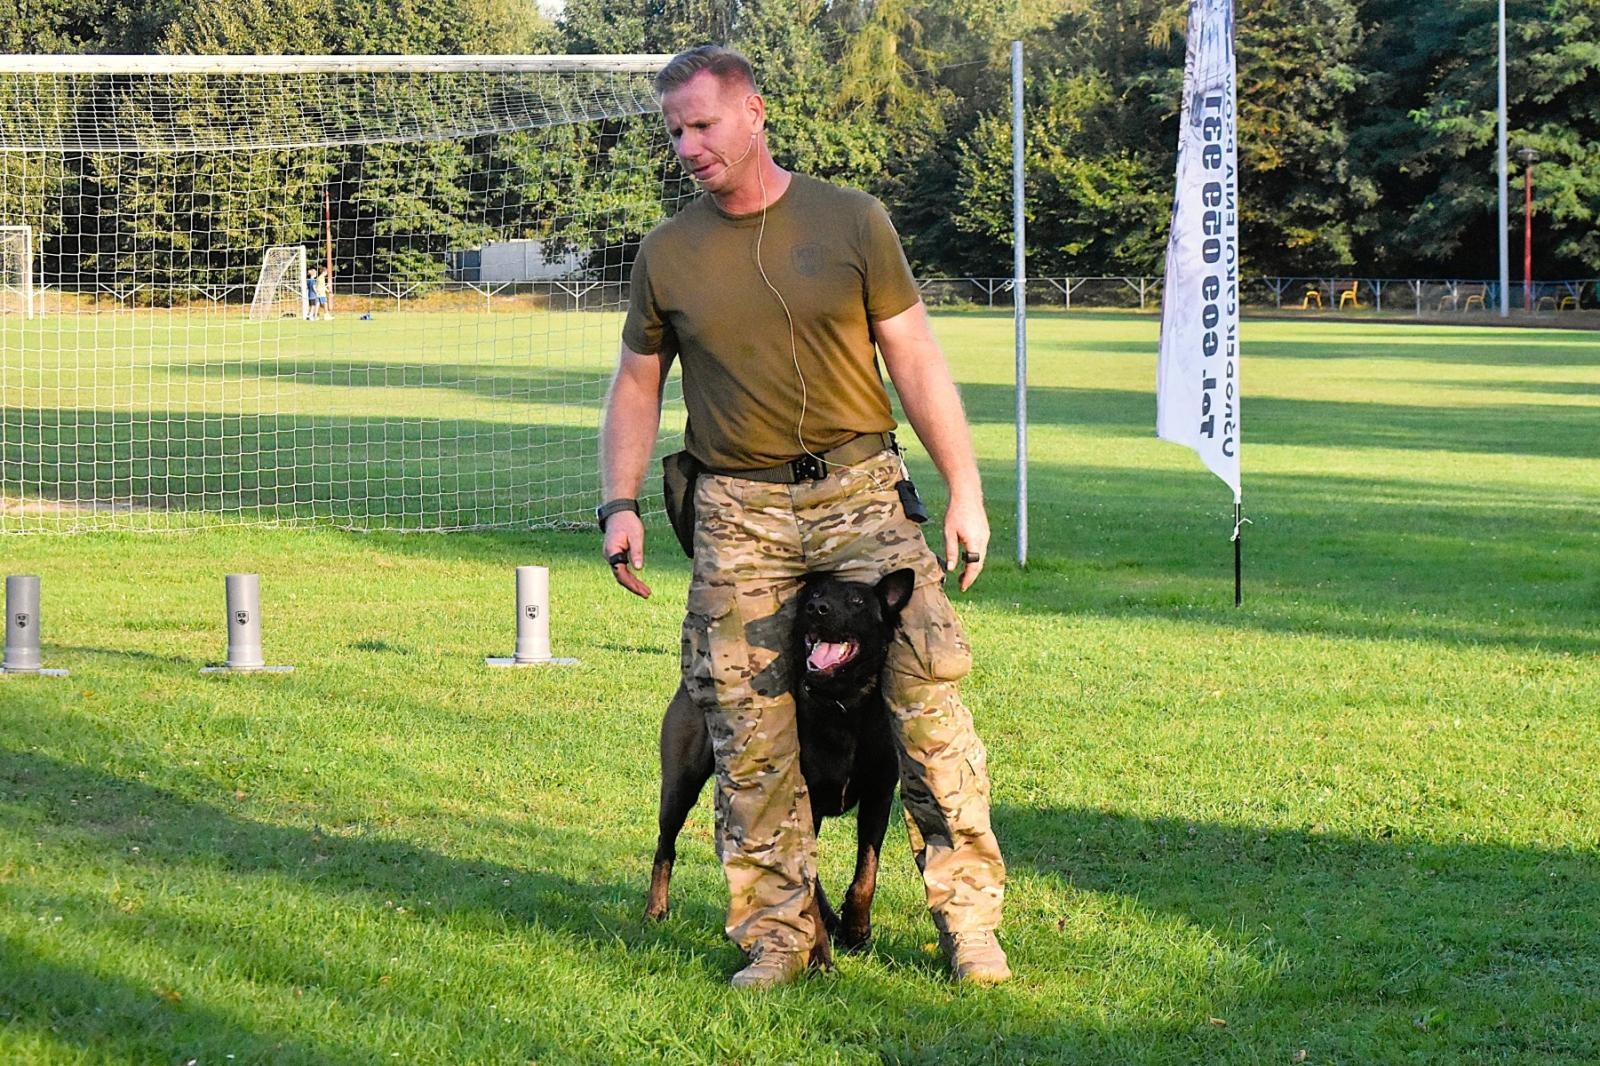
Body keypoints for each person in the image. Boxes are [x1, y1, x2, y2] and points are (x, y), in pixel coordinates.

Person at [598, 45, 1008, 990]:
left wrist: (966, 488)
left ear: (754, 113)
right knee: (745, 728)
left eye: (702, 125)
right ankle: (780, 937)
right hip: (737, 507)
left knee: (928, 707)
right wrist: (620, 501)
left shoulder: (852, 220)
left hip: (860, 491)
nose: (687, 147)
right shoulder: (668, 252)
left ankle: (970, 927)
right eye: (675, 132)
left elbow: (915, 357)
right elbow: (637, 382)